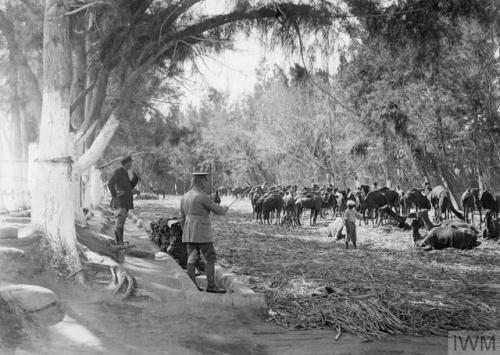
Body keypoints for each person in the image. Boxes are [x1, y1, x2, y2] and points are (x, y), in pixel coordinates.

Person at [180, 172, 228, 293]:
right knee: (210, 258)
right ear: (200, 181)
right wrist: (224, 209)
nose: (206, 183)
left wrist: (185, 230)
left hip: (188, 232)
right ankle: (211, 286)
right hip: (202, 232)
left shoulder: (184, 196)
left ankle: (192, 286)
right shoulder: (202, 196)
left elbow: (181, 217)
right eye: (205, 181)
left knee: (191, 259)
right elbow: (218, 210)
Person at [108, 154, 140, 245]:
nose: (131, 164)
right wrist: (115, 195)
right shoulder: (118, 171)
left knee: (121, 222)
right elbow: (110, 184)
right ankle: (120, 243)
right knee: (120, 222)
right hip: (120, 202)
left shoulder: (125, 172)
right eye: (130, 162)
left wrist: (135, 178)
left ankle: (120, 242)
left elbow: (130, 187)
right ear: (126, 163)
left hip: (125, 202)